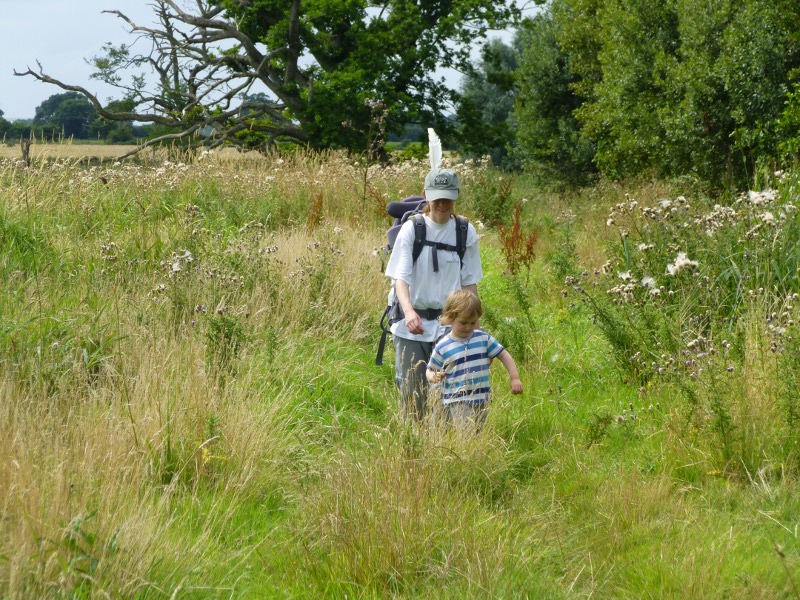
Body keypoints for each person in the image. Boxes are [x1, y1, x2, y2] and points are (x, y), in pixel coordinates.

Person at [384, 167, 483, 420]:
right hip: (411, 325)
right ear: (427, 195)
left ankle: (443, 447)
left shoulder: (464, 231)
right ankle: (414, 447)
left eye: (448, 198)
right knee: (412, 394)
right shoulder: (412, 229)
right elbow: (401, 279)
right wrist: (409, 313)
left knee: (449, 394)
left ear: (456, 197)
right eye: (437, 197)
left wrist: (476, 332)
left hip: (450, 327)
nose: (442, 204)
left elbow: (470, 284)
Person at [426, 289, 523, 431]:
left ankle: (475, 453)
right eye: (463, 322)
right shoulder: (443, 346)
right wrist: (433, 376)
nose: (468, 327)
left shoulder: (483, 338)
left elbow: (504, 355)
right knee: (467, 434)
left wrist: (515, 378)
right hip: (457, 399)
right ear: (451, 318)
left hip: (482, 397)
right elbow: (430, 369)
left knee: (478, 432)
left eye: (473, 322)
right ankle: (466, 453)